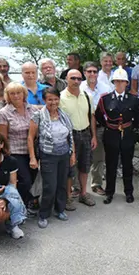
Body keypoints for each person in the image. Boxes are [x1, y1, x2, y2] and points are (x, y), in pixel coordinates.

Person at [28, 88, 76, 228]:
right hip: (48, 155)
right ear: (44, 100)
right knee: (50, 186)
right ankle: (43, 214)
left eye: (56, 99)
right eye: (50, 99)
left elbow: (70, 136)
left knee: (62, 184)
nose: (53, 102)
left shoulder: (64, 115)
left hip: (64, 154)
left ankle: (60, 209)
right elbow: (30, 138)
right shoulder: (37, 116)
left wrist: (72, 154)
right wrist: (32, 157)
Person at [95, 69, 139, 204]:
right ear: (113, 82)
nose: (119, 83)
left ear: (126, 83)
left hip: (127, 134)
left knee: (127, 164)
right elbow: (99, 116)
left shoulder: (134, 100)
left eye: (122, 81)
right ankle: (109, 192)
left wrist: (127, 127)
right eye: (117, 81)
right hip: (111, 134)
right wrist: (111, 126)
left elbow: (137, 118)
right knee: (111, 165)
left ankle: (129, 192)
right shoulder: (105, 99)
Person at [0, 82, 41, 211]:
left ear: (24, 94)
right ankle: (20, 205)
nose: (16, 96)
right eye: (12, 93)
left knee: (33, 178)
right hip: (15, 152)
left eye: (18, 92)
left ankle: (28, 202)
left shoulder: (32, 109)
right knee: (24, 180)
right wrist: (6, 155)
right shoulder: (3, 113)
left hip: (32, 150)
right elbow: (2, 137)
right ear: (8, 96)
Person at [59, 69, 97, 207]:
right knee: (69, 167)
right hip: (69, 135)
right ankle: (68, 197)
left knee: (85, 166)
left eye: (79, 79)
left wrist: (94, 136)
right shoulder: (61, 97)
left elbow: (92, 117)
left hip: (86, 133)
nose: (76, 81)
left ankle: (83, 194)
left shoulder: (87, 96)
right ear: (67, 79)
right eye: (73, 78)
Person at [81, 62, 111, 195]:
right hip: (82, 126)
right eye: (89, 71)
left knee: (99, 157)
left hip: (99, 127)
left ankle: (96, 184)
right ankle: (76, 187)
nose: (92, 74)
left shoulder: (105, 88)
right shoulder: (79, 87)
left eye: (94, 71)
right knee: (79, 157)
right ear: (84, 73)